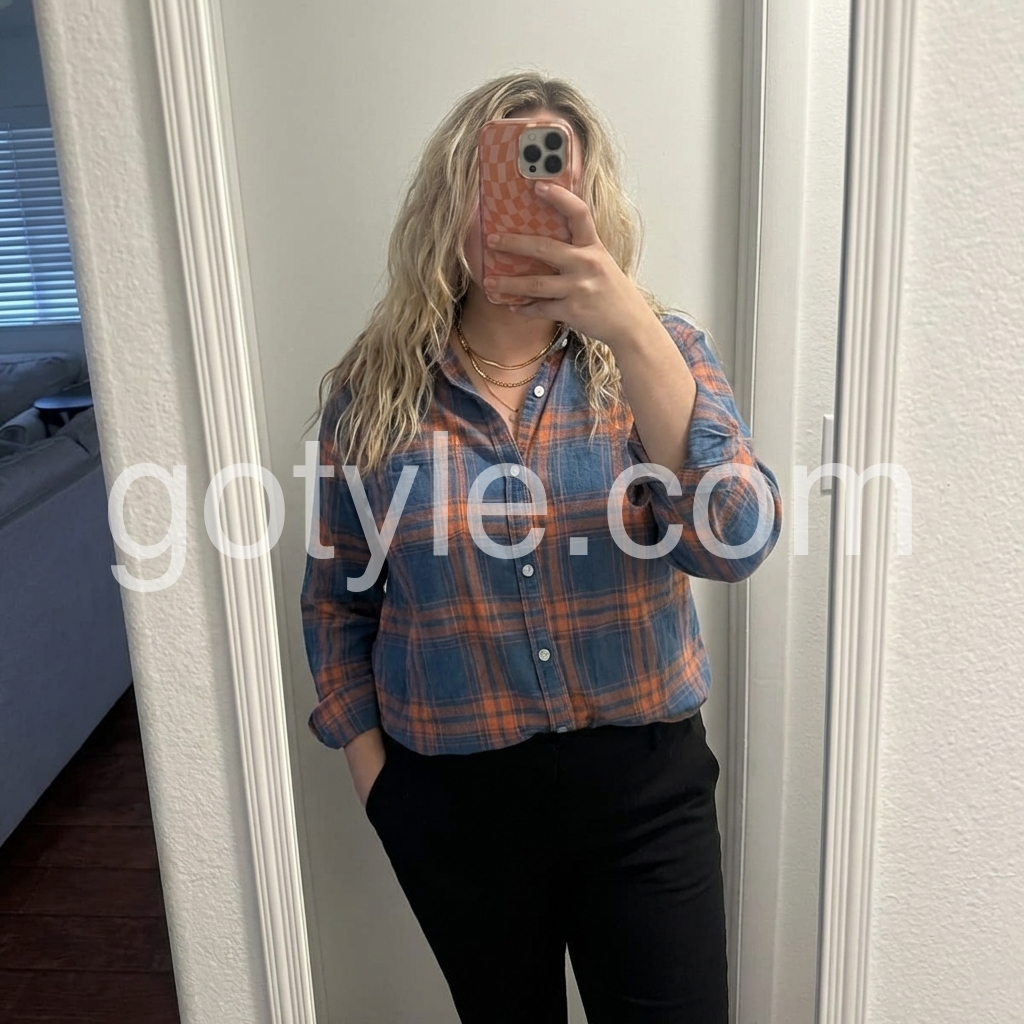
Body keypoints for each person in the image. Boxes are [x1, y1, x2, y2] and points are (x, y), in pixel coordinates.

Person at [300, 71, 783, 1024]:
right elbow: (337, 597)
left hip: (644, 796)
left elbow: (734, 543)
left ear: (588, 200)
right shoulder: (375, 389)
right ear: (450, 204)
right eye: (494, 185)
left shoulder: (662, 352)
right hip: (452, 802)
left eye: (552, 181)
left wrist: (632, 330)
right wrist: (377, 780)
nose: (518, 211)